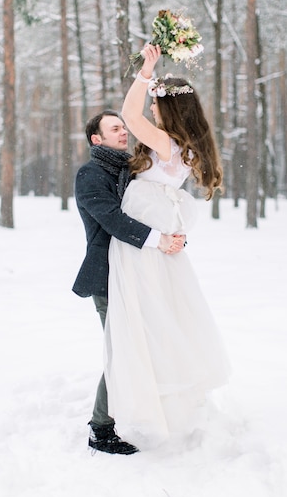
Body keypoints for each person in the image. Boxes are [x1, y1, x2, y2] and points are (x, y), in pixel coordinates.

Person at [104, 44, 231, 448]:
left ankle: (144, 400)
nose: (152, 112)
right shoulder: (189, 146)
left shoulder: (165, 143)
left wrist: (145, 73)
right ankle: (164, 397)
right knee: (159, 315)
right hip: (156, 236)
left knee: (142, 317)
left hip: (142, 242)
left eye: (158, 106)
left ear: (169, 111)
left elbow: (128, 115)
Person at [72, 109, 185, 455]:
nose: (124, 132)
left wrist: (172, 234)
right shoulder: (90, 174)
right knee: (121, 351)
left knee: (143, 347)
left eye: (124, 127)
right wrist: (157, 239)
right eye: (115, 128)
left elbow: (151, 208)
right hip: (107, 276)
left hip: (140, 272)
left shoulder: (132, 170)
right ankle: (100, 428)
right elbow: (112, 218)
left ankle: (145, 408)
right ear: (97, 139)